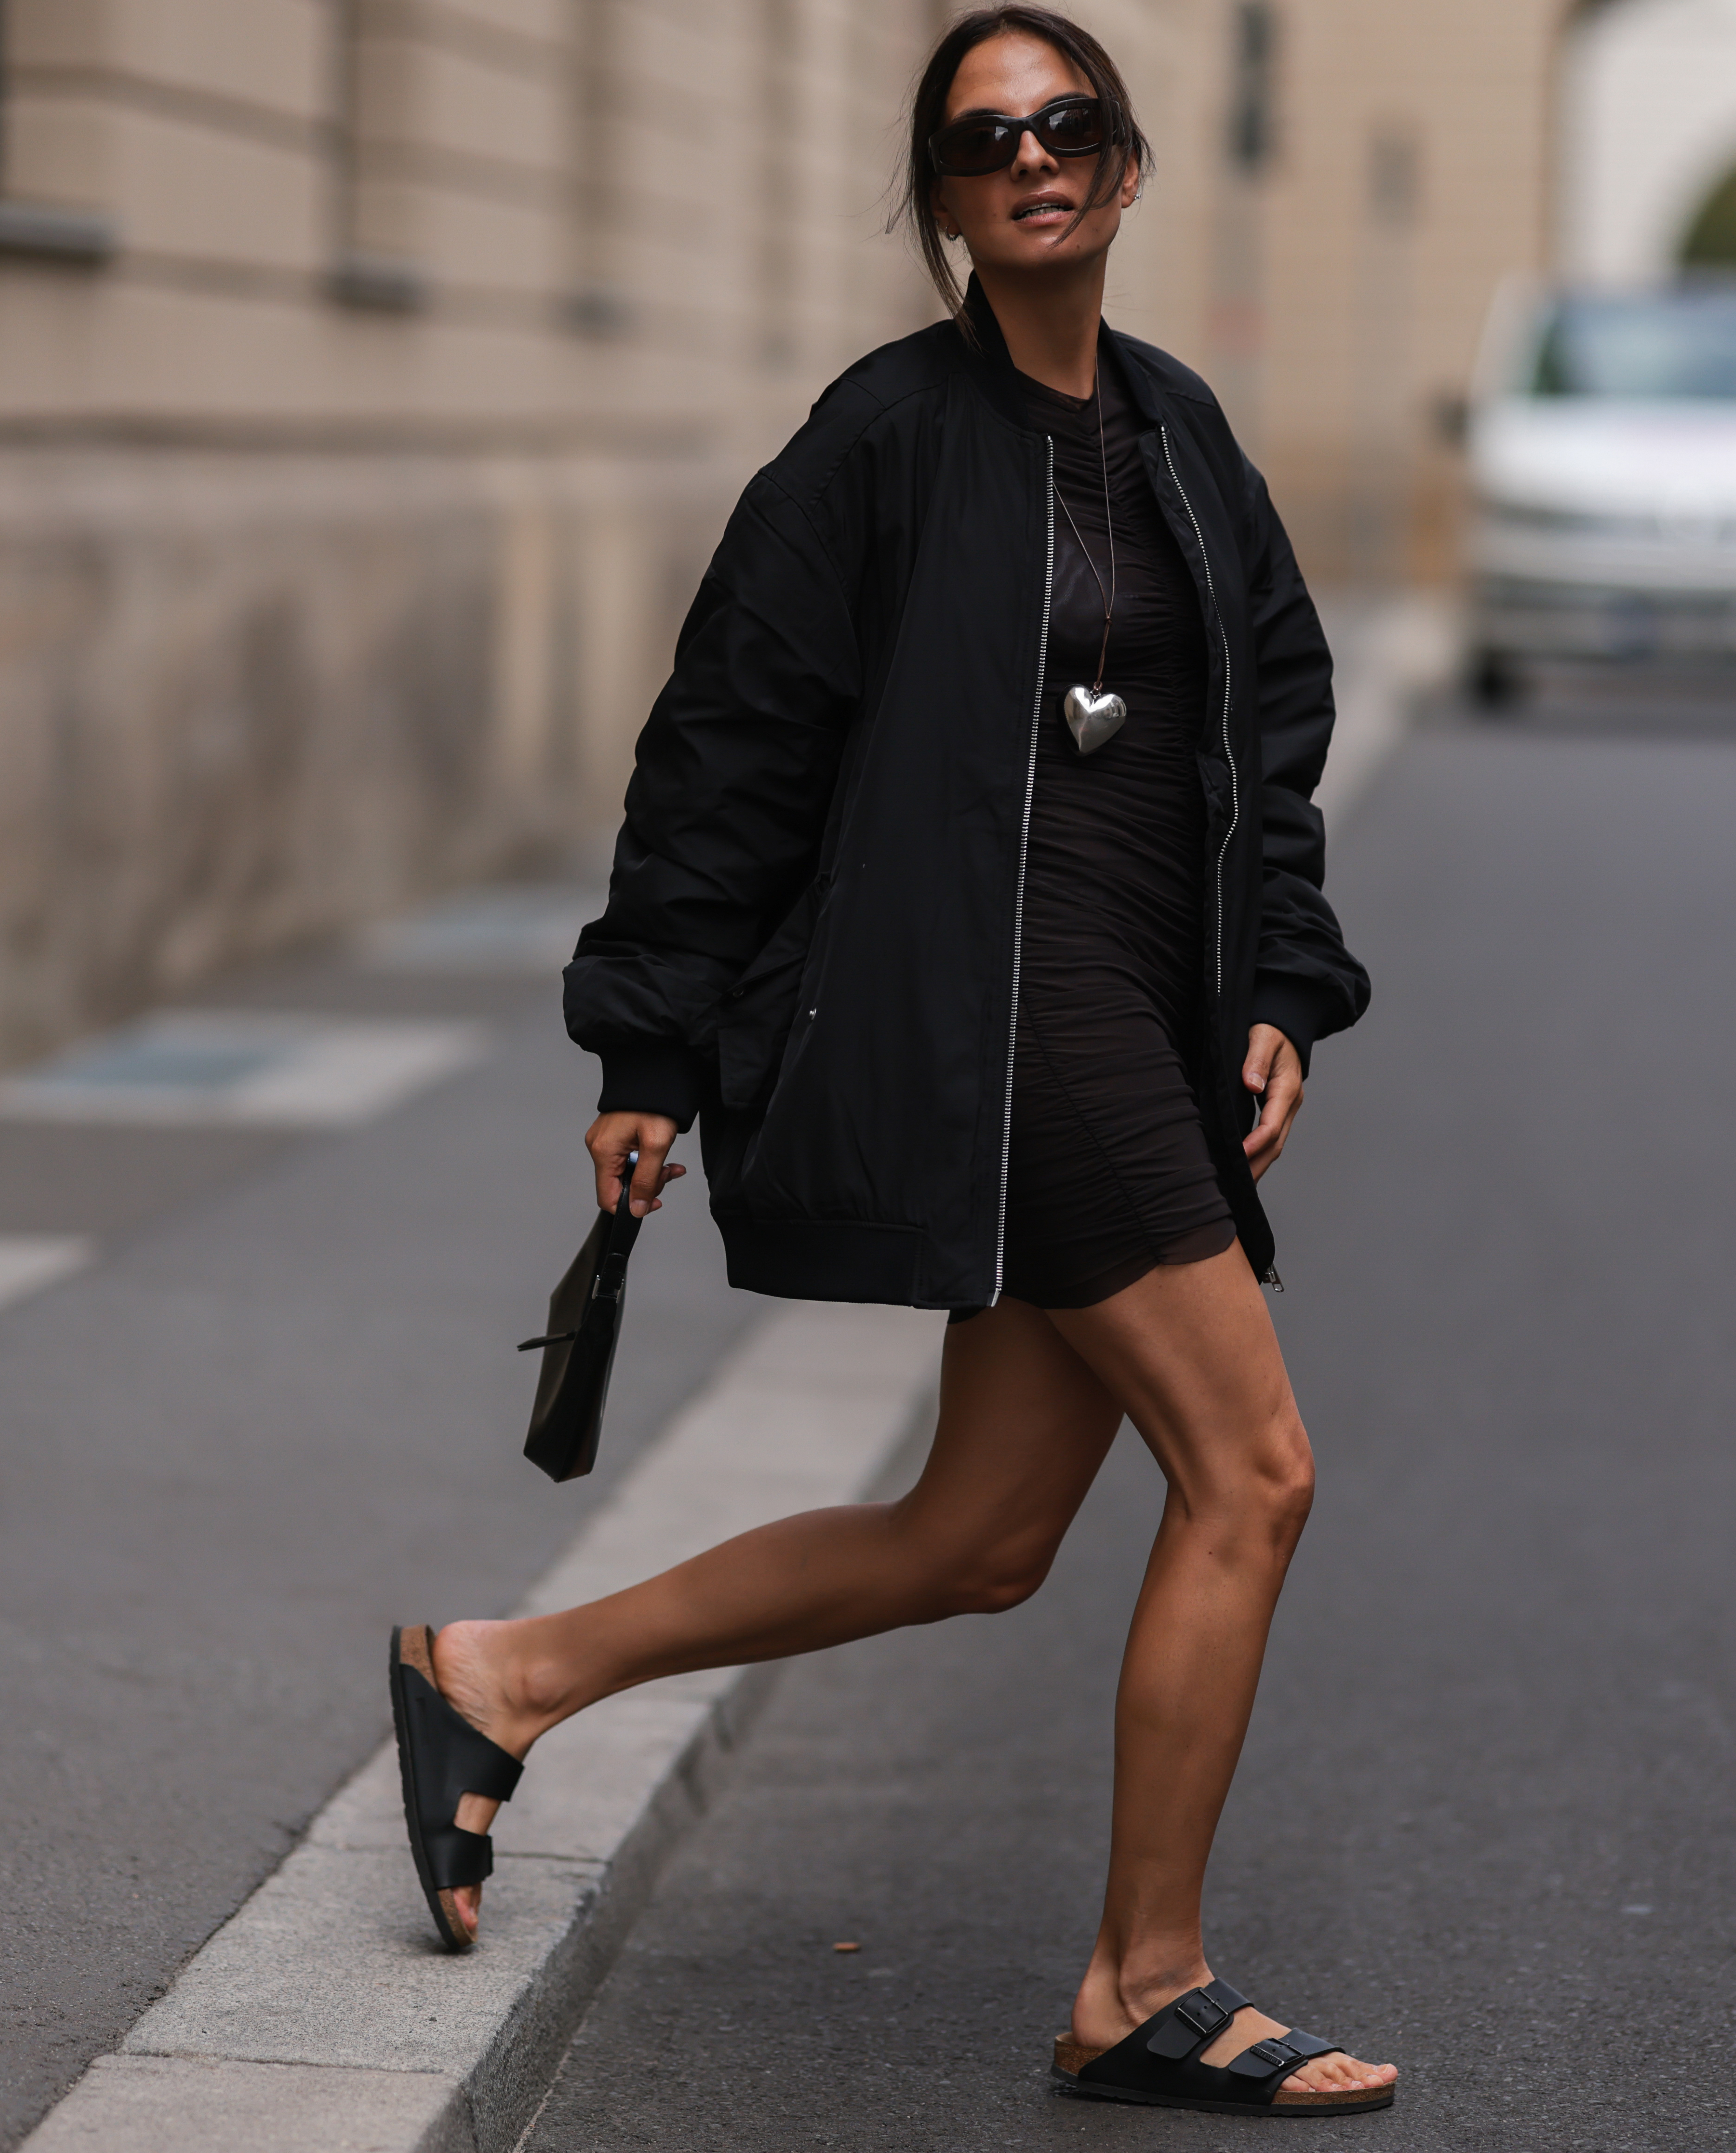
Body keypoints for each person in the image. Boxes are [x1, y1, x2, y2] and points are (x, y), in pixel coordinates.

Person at [385, 6, 1391, 2118]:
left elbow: (1265, 728)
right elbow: (732, 739)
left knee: (974, 1539)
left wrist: (1278, 982)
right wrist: (645, 1037)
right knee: (1256, 1471)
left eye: (1066, 125)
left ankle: (504, 1674)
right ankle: (1147, 1981)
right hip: (996, 1029)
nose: (1029, 158)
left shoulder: (1182, 434)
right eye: (979, 138)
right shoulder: (883, 438)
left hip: (1138, 1017)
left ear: (1124, 166)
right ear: (938, 202)